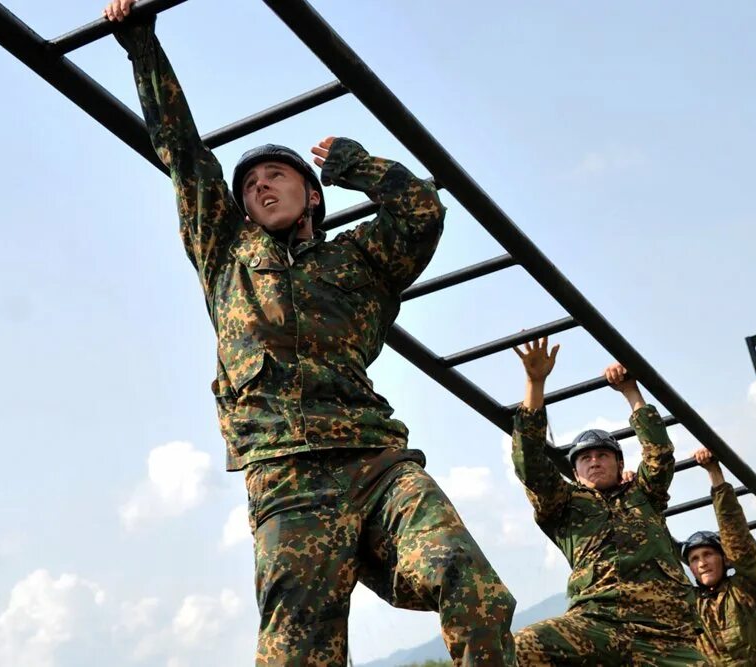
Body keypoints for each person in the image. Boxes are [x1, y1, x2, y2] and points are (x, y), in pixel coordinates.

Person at [103, 2, 516, 664]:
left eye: (276, 175)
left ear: (312, 195)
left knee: (476, 588)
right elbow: (183, 151)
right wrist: (141, 47)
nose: (260, 186)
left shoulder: (357, 259)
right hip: (287, 479)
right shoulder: (227, 255)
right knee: (301, 654)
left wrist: (356, 164)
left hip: (375, 463)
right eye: (250, 185)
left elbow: (422, 212)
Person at [510, 337, 706, 666]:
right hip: (597, 625)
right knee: (523, 647)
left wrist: (631, 391)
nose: (595, 461)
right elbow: (529, 463)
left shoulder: (644, 495)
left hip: (666, 633)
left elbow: (659, 454)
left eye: (604, 455)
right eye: (586, 458)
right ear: (574, 471)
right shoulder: (565, 504)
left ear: (619, 463)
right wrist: (535, 383)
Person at [681, 447, 756, 665]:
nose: (702, 563)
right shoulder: (690, 604)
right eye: (694, 559)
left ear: (724, 558)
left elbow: (737, 537)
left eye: (708, 554)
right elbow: (657, 550)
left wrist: (715, 475)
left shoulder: (745, 588)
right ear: (689, 567)